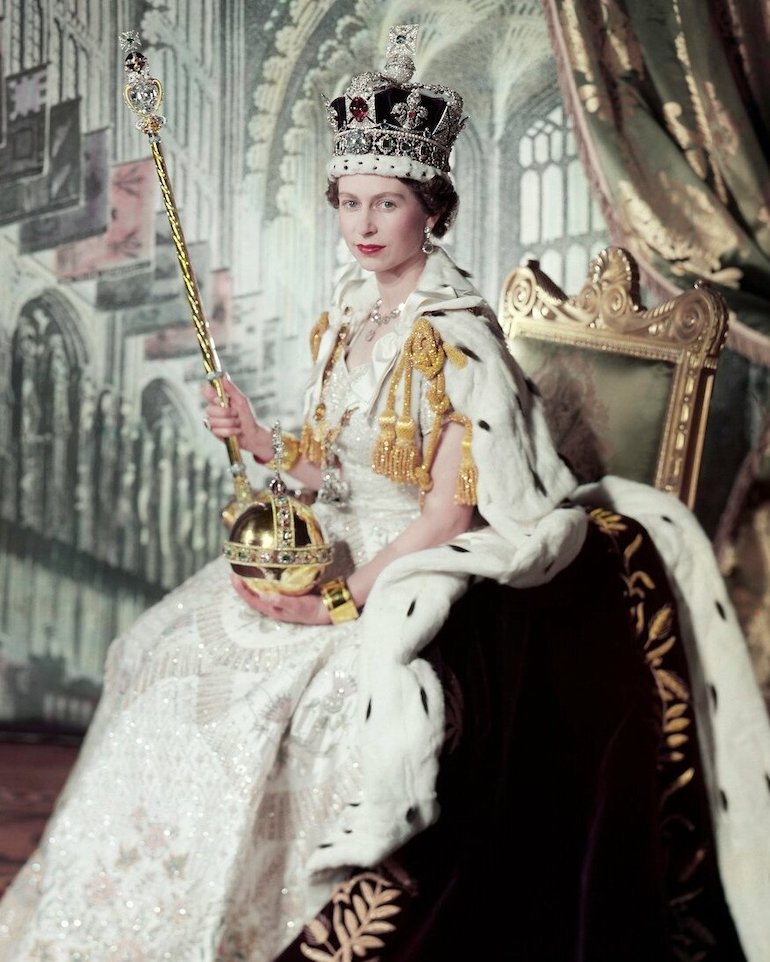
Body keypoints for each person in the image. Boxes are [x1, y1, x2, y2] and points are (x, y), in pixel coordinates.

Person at [2, 24, 770, 962]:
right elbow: (330, 465)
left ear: (431, 212)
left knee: (292, 702)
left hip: (411, 563)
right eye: (351, 203)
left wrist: (329, 604)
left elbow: (447, 515)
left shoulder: (459, 341)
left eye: (389, 203)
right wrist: (261, 439)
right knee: (154, 651)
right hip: (333, 533)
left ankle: (259, 927)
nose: (365, 225)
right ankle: (133, 919)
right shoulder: (349, 315)